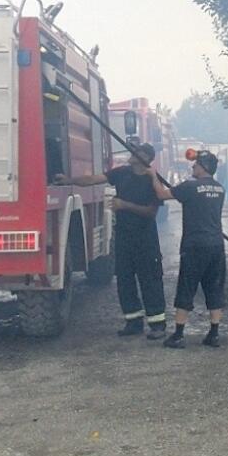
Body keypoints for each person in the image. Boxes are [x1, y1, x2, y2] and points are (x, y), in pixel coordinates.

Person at [55, 143, 167, 339]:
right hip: (124, 235)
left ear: (146, 158)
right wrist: (68, 180)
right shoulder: (121, 173)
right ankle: (133, 321)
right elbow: (93, 179)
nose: (131, 154)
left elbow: (151, 212)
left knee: (149, 278)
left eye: (136, 151)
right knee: (124, 278)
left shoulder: (152, 181)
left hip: (145, 238)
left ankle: (157, 324)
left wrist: (124, 205)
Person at [149, 150, 226, 349]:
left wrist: (152, 176)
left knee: (186, 287)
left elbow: (161, 194)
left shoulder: (190, 187)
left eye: (196, 164)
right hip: (216, 245)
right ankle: (214, 334)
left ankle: (179, 335)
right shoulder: (220, 188)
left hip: (195, 245)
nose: (193, 167)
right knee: (214, 288)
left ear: (204, 167)